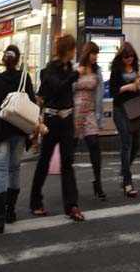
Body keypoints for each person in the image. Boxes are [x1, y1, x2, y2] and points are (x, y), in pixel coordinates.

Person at [0, 44, 38, 234]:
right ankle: (10, 211)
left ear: (4, 61)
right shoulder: (24, 77)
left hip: (1, 133)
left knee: (1, 172)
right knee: (14, 170)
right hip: (20, 132)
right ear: (19, 59)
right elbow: (32, 103)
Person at [29, 34, 84, 221]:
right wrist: (75, 75)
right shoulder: (49, 70)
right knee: (44, 161)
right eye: (73, 48)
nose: (74, 51)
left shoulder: (70, 67)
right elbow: (59, 87)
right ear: (67, 50)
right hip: (51, 120)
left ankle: (72, 206)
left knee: (67, 163)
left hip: (67, 119)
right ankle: (35, 201)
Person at [110, 42, 140, 197]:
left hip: (134, 109)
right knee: (126, 143)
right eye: (126, 57)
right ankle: (127, 181)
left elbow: (139, 94)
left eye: (131, 56)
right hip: (120, 110)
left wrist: (139, 86)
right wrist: (128, 87)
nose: (129, 59)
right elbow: (113, 91)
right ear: (121, 57)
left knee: (136, 143)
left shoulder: (135, 69)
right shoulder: (117, 70)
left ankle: (125, 171)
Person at [74, 41, 106, 199]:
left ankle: (98, 183)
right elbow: (69, 88)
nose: (95, 57)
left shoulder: (97, 71)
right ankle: (70, 185)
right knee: (70, 149)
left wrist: (100, 117)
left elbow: (99, 95)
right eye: (93, 53)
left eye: (96, 54)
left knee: (94, 144)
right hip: (75, 111)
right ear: (86, 54)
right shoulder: (75, 68)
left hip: (90, 112)